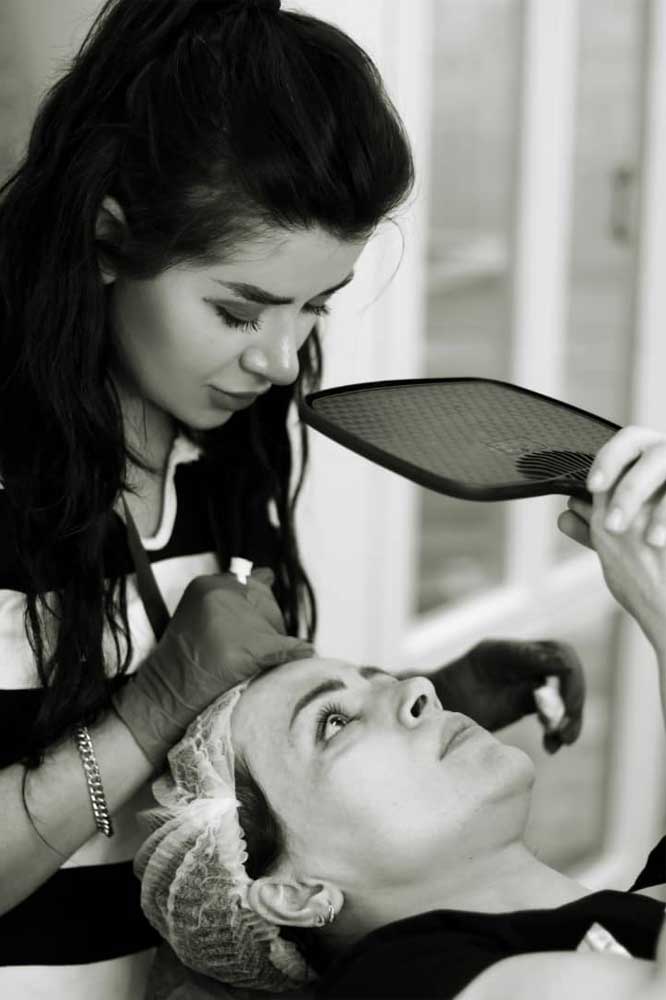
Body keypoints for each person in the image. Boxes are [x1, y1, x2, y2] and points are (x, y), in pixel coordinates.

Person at [0, 1, 586, 998]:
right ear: (108, 238)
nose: (280, 360)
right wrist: (149, 712)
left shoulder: (220, 460)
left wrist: (430, 703)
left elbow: (221, 798)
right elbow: (163, 711)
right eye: (239, 311)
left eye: (316, 304)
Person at [136, 424, 666, 1000]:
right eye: (333, 723)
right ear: (296, 893)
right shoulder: (394, 982)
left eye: (381, 680)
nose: (419, 688)